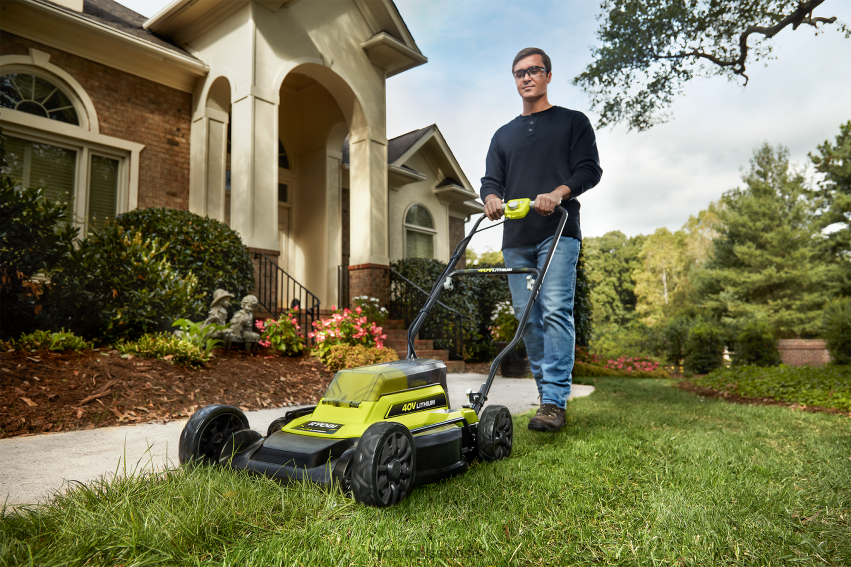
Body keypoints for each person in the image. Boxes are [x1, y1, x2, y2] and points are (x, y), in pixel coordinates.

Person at [480, 47, 602, 431]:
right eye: (520, 73)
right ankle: (545, 397)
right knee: (527, 319)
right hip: (516, 238)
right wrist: (491, 198)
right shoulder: (503, 135)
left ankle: (553, 402)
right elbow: (490, 181)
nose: (527, 77)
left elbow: (589, 169)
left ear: (548, 75)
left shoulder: (572, 122)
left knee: (554, 310)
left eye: (534, 70)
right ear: (514, 80)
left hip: (558, 233)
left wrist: (559, 192)